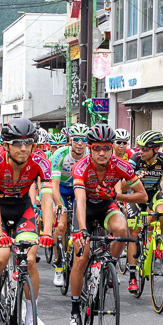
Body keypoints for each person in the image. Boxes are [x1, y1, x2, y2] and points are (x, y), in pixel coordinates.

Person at [70, 124, 146, 325]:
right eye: (97, 148)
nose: (102, 153)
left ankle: (109, 264)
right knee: (81, 258)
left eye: (106, 148)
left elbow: (143, 196)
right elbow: (80, 200)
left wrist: (116, 195)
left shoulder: (122, 166)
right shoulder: (81, 167)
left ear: (112, 148)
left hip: (106, 205)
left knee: (122, 230)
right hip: (85, 207)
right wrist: (82, 230)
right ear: (89, 148)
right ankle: (75, 309)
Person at [0, 118, 54, 325]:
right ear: (6, 145)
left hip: (23, 208)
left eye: (28, 142)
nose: (23, 148)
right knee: (2, 256)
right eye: (17, 143)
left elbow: (47, 199)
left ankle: (33, 316)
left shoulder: (41, 161)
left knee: (30, 260)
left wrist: (48, 232)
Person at [127, 131, 163, 291]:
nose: (141, 151)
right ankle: (132, 276)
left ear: (155, 149)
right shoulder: (135, 158)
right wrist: (134, 177)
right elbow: (124, 182)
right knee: (134, 233)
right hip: (135, 194)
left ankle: (159, 250)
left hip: (152, 194)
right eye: (140, 148)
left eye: (145, 149)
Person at [49, 123, 89, 287]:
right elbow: (54, 185)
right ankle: (59, 266)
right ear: (70, 140)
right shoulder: (60, 154)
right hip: (62, 190)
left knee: (81, 226)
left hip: (79, 189)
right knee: (61, 226)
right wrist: (59, 204)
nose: (80, 143)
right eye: (76, 139)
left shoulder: (89, 154)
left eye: (83, 140)